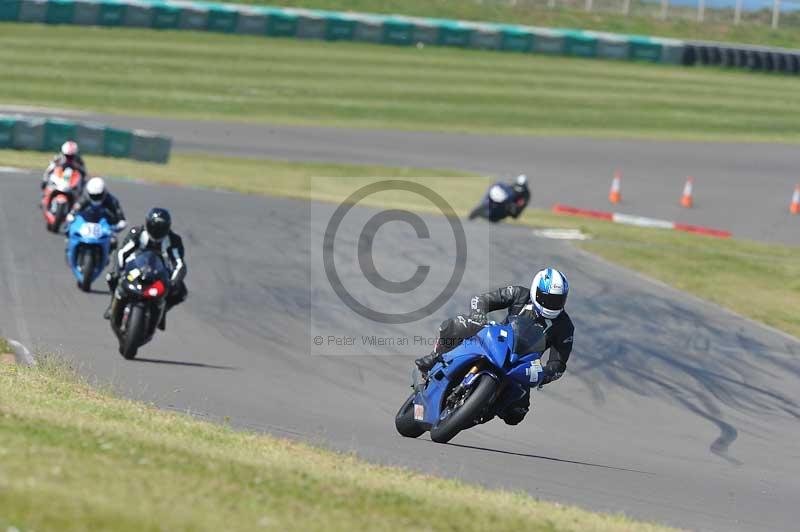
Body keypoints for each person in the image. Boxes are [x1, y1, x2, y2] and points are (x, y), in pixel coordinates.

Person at [414, 268, 574, 425]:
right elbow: (482, 300)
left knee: (516, 414)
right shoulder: (519, 294)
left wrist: (542, 375)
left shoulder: (564, 327)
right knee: (457, 325)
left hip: (522, 363)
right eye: (548, 299)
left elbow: (558, 364)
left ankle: (481, 409)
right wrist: (479, 315)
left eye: (558, 300)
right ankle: (435, 356)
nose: (552, 304)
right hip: (498, 342)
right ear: (536, 291)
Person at [104, 208, 187, 331]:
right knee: (112, 277)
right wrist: (118, 269)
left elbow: (179, 263)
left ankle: (163, 310)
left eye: (160, 228)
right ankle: (113, 304)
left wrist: (174, 282)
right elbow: (122, 252)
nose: (156, 231)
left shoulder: (174, 240)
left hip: (160, 273)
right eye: (154, 227)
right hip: (136, 269)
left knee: (181, 292)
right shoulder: (137, 232)